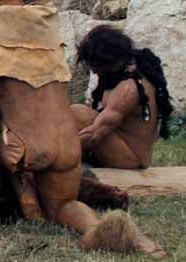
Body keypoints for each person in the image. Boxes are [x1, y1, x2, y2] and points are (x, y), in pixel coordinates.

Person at [0, 0, 164, 256]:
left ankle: (22, 186)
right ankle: (103, 230)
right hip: (67, 145)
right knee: (65, 205)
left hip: (28, 146)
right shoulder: (44, 19)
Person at [70, 26, 173, 169]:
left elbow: (94, 135)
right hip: (121, 147)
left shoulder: (128, 89)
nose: (93, 70)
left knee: (78, 114)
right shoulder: (123, 73)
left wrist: (58, 153)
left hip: (131, 159)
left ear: (108, 61)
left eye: (94, 65)